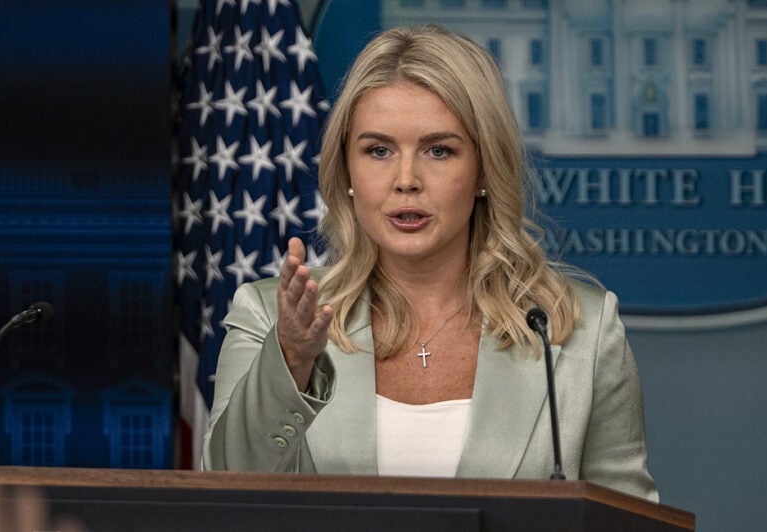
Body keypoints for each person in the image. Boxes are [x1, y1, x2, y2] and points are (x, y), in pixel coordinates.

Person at [203, 24, 658, 502]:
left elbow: (626, 517)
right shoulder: (269, 315)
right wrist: (293, 359)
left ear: (483, 169)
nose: (406, 180)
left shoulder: (579, 330)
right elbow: (222, 493)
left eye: (438, 150)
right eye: (378, 151)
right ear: (348, 170)